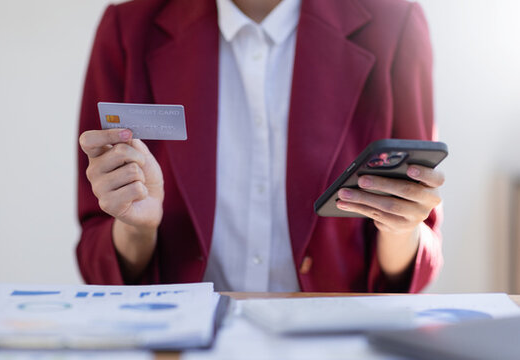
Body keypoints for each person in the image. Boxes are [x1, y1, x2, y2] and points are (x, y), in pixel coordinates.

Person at [76, 0, 443, 292]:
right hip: (181, 343)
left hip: (331, 341)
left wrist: (398, 228)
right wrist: (136, 230)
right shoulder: (127, 30)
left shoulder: (395, 25)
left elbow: (416, 262)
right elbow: (95, 257)